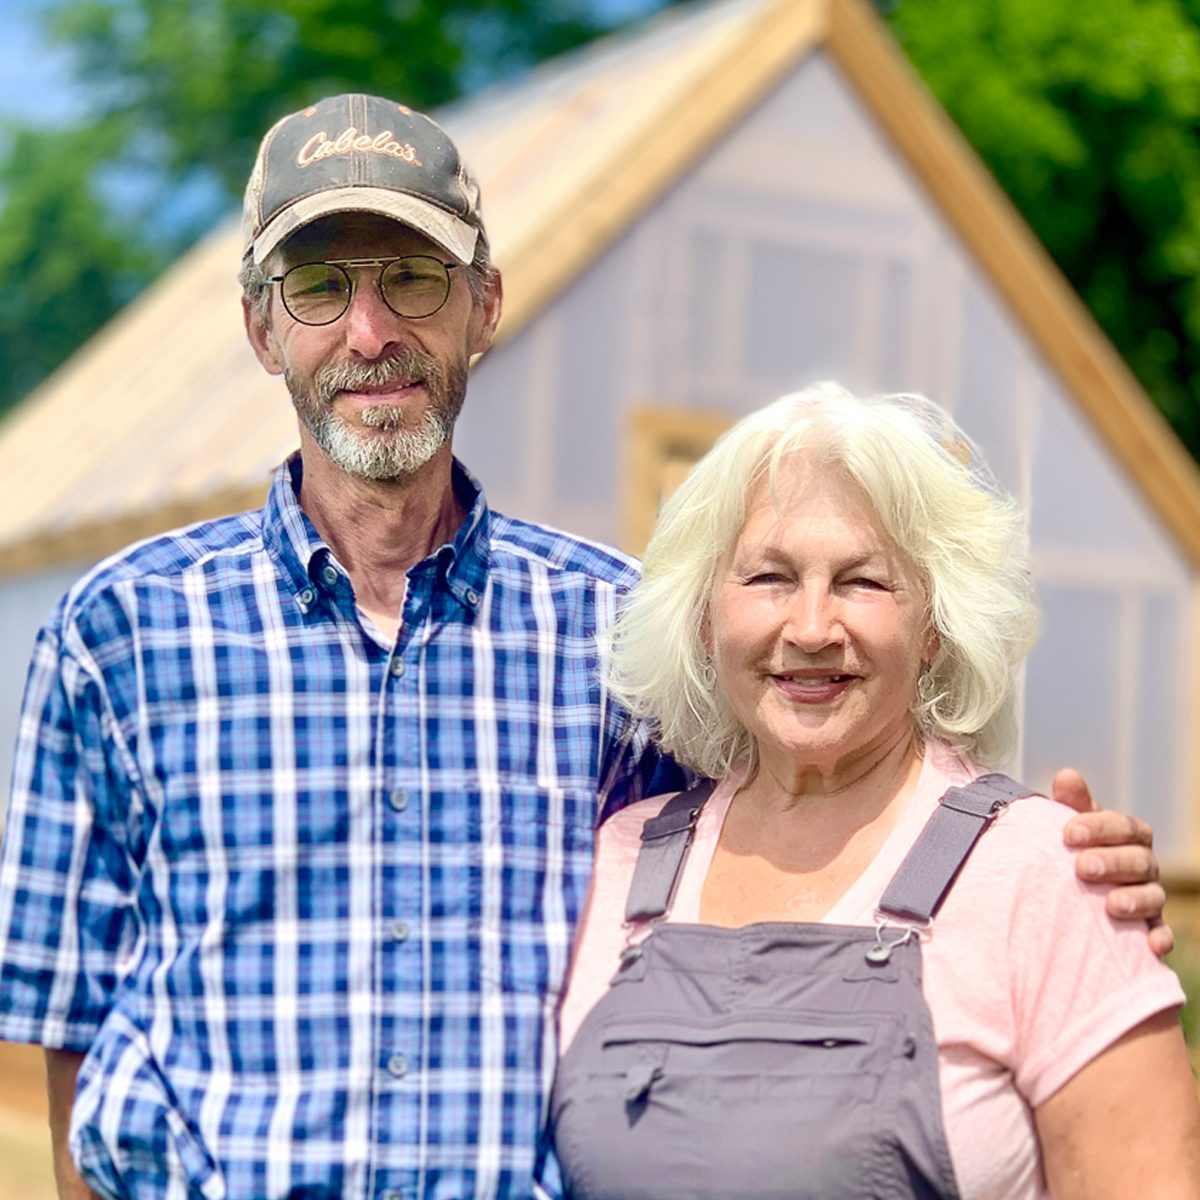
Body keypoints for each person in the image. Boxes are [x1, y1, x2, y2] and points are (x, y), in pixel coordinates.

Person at [0, 96, 1169, 1200]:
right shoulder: (118, 639)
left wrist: (1056, 885)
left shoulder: (617, 642)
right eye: (317, 287)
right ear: (261, 327)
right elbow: (68, 1042)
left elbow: (807, 822)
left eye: (413, 279)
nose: (370, 331)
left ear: (485, 307)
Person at [550, 384, 1200, 1200]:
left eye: (862, 582)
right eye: (770, 578)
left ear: (934, 625)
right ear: (706, 619)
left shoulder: (1048, 875)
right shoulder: (614, 863)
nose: (814, 628)